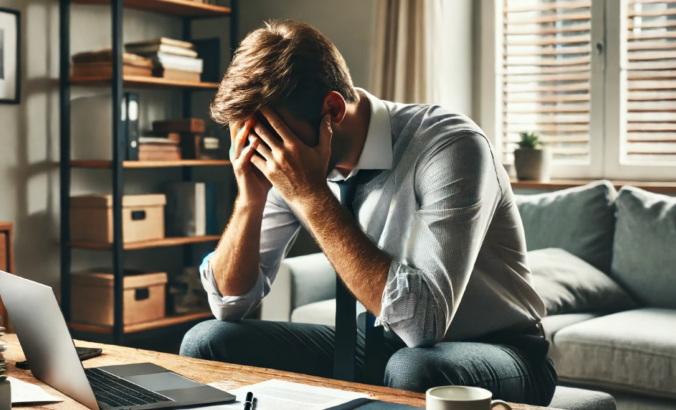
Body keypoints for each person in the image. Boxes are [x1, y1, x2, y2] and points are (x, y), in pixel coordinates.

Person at [179, 19, 556, 406]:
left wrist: (311, 196)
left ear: (333, 109)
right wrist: (250, 198)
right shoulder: (291, 157)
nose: (265, 153)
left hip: (501, 351)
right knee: (208, 341)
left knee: (414, 369)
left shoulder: (450, 146)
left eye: (272, 136)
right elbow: (229, 303)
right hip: (378, 341)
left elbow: (421, 324)